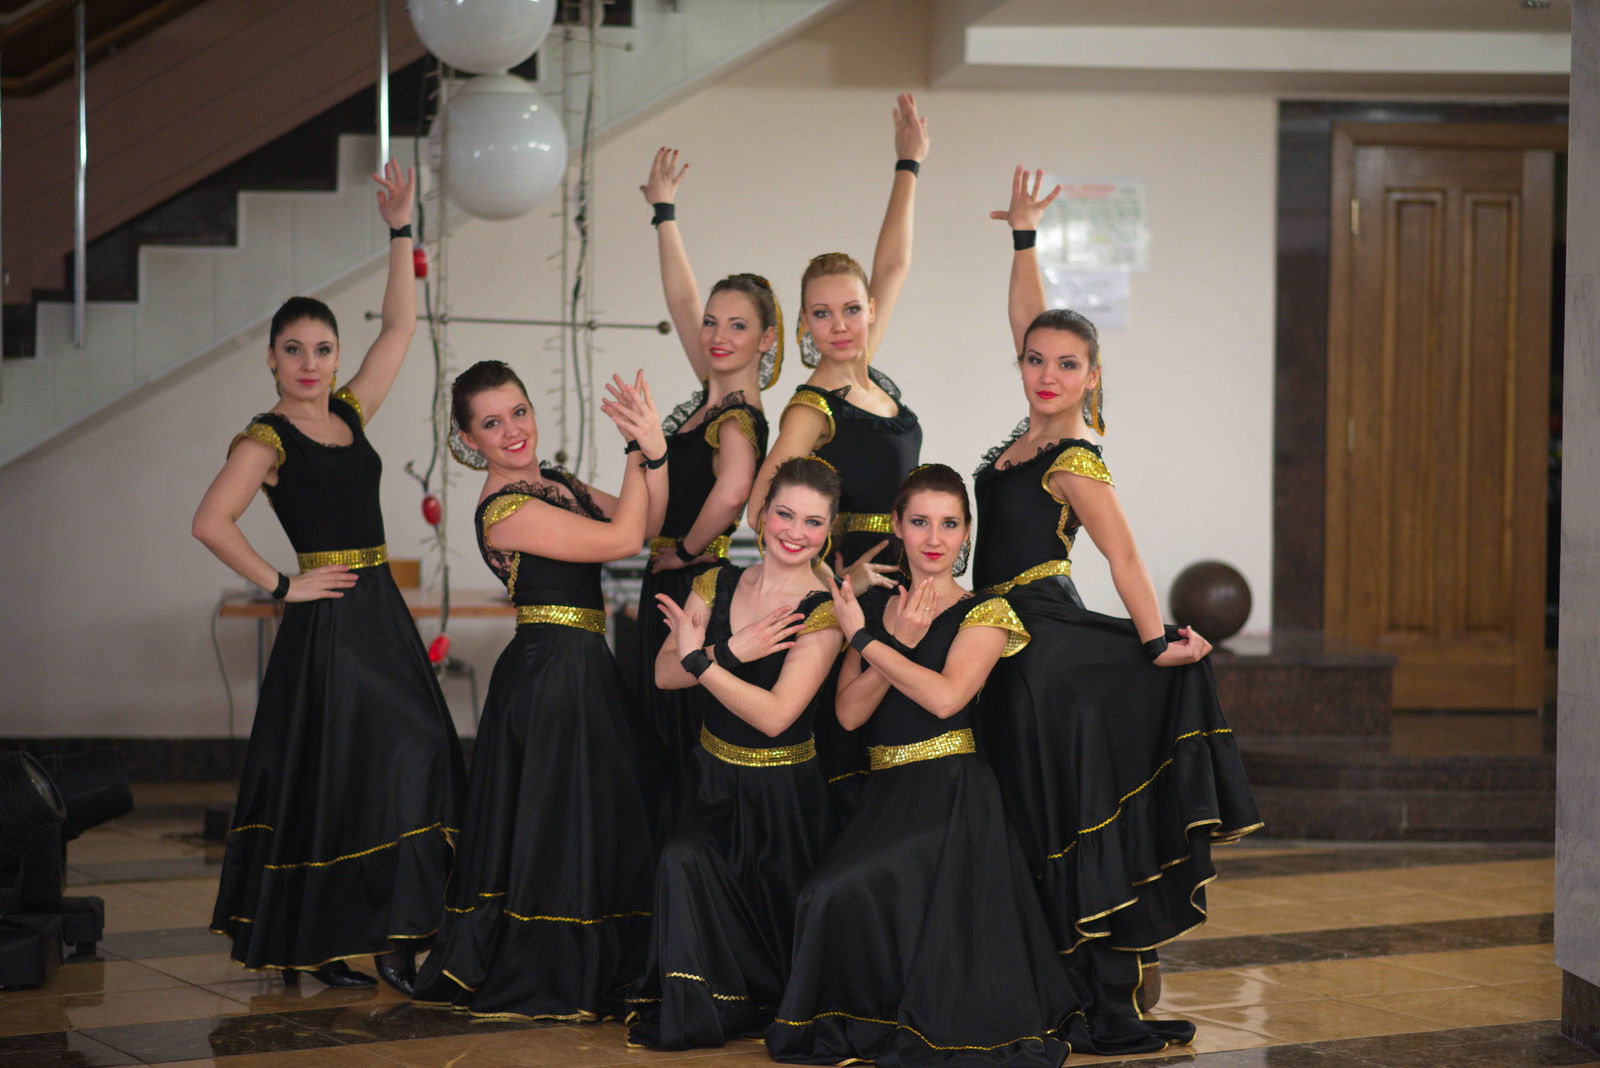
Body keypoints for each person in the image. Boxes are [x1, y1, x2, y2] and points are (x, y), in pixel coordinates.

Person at [972, 167, 1263, 1041]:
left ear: (1093, 375)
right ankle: (1055, 991)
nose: (1046, 372)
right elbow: (1029, 317)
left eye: (1067, 365)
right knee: (1032, 811)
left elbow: (1123, 554)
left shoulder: (1073, 455)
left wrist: (1154, 641)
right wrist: (1024, 238)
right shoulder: (1028, 435)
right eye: (1035, 360)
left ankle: (1099, 997)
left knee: (1058, 809)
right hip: (1002, 638)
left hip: (1043, 643)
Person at [194, 162, 463, 994]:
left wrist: (400, 230)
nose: (309, 363)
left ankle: (379, 934)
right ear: (272, 360)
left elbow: (401, 325)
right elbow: (210, 522)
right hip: (332, 623)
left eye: (322, 350)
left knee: (413, 754)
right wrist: (283, 586)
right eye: (294, 351)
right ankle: (364, 941)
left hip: (381, 611)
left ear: (335, 356)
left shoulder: (349, 410)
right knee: (358, 771)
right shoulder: (265, 440)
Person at [768, 463, 1124, 1066]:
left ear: (967, 533)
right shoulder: (870, 606)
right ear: (897, 526)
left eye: (950, 524)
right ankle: (871, 1015)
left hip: (953, 798)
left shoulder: (987, 611)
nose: (935, 538)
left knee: (842, 889)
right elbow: (850, 715)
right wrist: (892, 638)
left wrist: (872, 643)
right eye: (920, 522)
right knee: (822, 894)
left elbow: (946, 699)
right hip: (885, 793)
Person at [411, 361, 668, 1022]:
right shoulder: (506, 509)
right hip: (549, 674)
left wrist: (653, 449)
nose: (512, 431)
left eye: (518, 412)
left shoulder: (555, 482)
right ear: (469, 440)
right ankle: (556, 964)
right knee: (559, 822)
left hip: (584, 665)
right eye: (491, 423)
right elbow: (623, 538)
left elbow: (650, 523)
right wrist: (636, 448)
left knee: (598, 816)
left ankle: (601, 961)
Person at [746, 93, 930, 798]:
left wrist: (908, 164)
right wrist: (834, 578)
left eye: (852, 308)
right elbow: (760, 508)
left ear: (869, 311)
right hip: (863, 587)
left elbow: (895, 263)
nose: (841, 324)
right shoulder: (813, 404)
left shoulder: (870, 373)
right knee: (860, 750)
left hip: (914, 572)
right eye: (822, 314)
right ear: (805, 326)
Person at [626, 456, 843, 1049]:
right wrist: (731, 651)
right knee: (681, 857)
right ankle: (708, 1005)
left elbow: (775, 716)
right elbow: (664, 673)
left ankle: (763, 995)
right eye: (785, 514)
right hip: (711, 781)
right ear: (762, 514)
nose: (795, 532)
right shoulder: (716, 582)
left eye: (813, 522)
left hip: (785, 798)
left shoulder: (825, 610)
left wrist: (705, 659)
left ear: (830, 530)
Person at [633, 147, 777, 782]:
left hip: (692, 580)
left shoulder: (737, 415)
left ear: (764, 340)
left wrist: (687, 551)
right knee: (658, 727)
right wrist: (664, 213)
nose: (718, 335)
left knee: (676, 735)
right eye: (714, 324)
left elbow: (735, 491)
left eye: (737, 326)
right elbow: (682, 300)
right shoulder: (713, 397)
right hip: (674, 576)